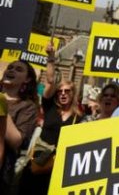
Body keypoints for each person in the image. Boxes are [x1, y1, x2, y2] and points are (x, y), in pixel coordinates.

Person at [19, 42, 84, 195]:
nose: (62, 94)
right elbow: (50, 81)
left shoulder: (79, 118)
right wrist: (51, 58)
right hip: (38, 163)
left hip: (59, 168)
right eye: (60, 91)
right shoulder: (50, 108)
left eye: (67, 91)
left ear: (73, 94)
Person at [0, 60, 39, 192]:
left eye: (18, 69)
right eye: (10, 67)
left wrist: (2, 106)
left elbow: (16, 141)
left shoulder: (28, 107)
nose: (11, 70)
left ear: (27, 79)